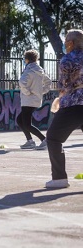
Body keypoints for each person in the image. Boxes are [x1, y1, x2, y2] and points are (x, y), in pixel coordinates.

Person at [45, 29, 83, 188]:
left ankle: (59, 178)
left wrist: (60, 99)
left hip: (73, 105)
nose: (65, 43)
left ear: (72, 43)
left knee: (53, 138)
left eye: (66, 40)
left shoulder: (67, 59)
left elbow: (63, 85)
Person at [17, 49, 52, 150]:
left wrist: (28, 93)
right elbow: (48, 82)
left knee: (27, 124)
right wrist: (41, 91)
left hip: (28, 100)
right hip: (36, 100)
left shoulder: (28, 70)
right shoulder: (40, 70)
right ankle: (30, 141)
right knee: (20, 120)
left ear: (27, 59)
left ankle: (45, 140)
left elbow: (22, 83)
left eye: (25, 59)